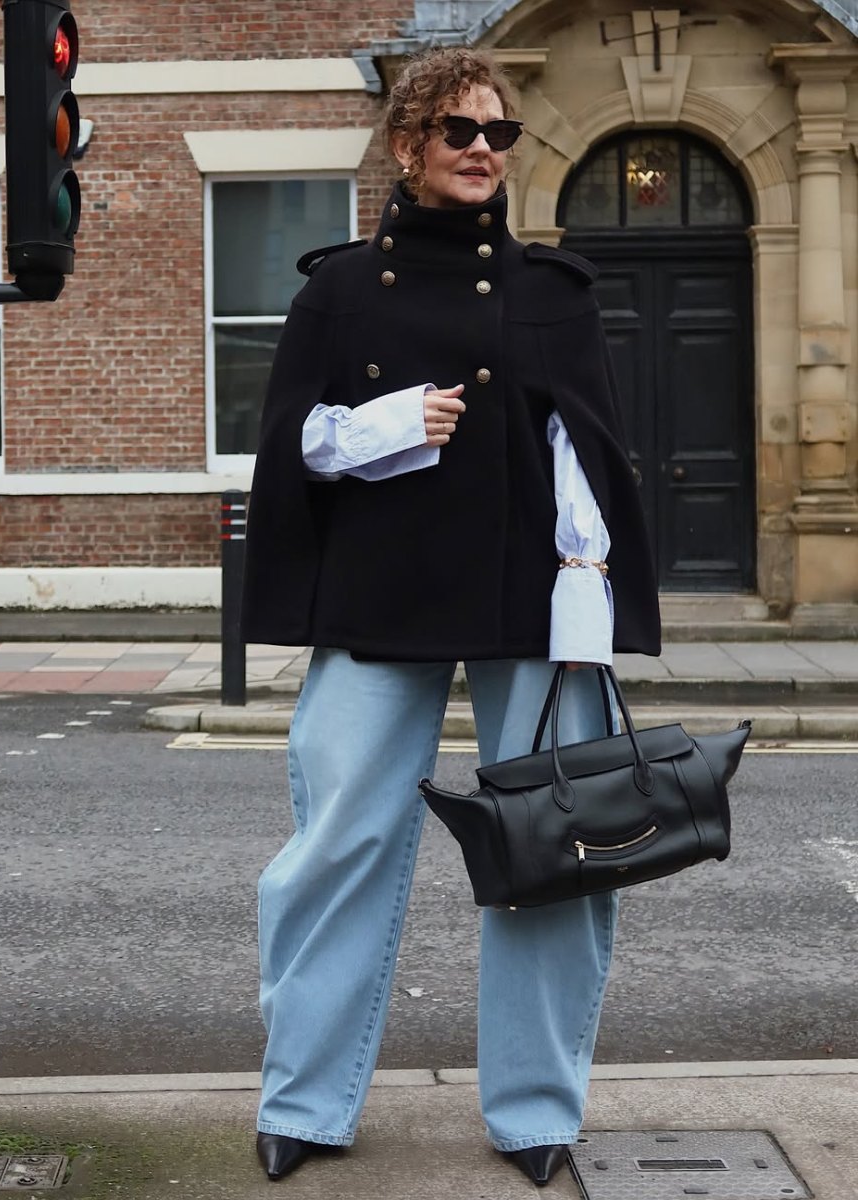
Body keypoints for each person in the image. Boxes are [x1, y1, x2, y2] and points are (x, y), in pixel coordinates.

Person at [240, 45, 660, 1187]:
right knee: (337, 846)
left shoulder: (550, 292)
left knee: (551, 848)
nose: (483, 149)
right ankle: (304, 1102)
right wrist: (378, 428)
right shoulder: (335, 289)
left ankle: (535, 1114)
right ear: (407, 147)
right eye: (458, 131)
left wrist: (591, 597)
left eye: (498, 133)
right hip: (379, 592)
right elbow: (292, 447)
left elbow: (587, 455)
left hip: (534, 598)